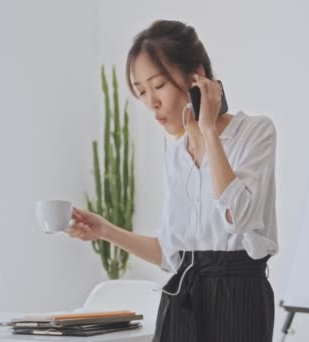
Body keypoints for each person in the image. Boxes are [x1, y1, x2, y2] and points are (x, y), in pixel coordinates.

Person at [66, 19, 278, 342]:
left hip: (239, 298)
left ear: (197, 76)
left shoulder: (255, 133)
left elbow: (240, 217)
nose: (151, 102)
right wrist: (104, 230)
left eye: (159, 85)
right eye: (141, 92)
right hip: (182, 302)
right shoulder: (177, 156)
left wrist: (208, 130)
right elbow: (171, 253)